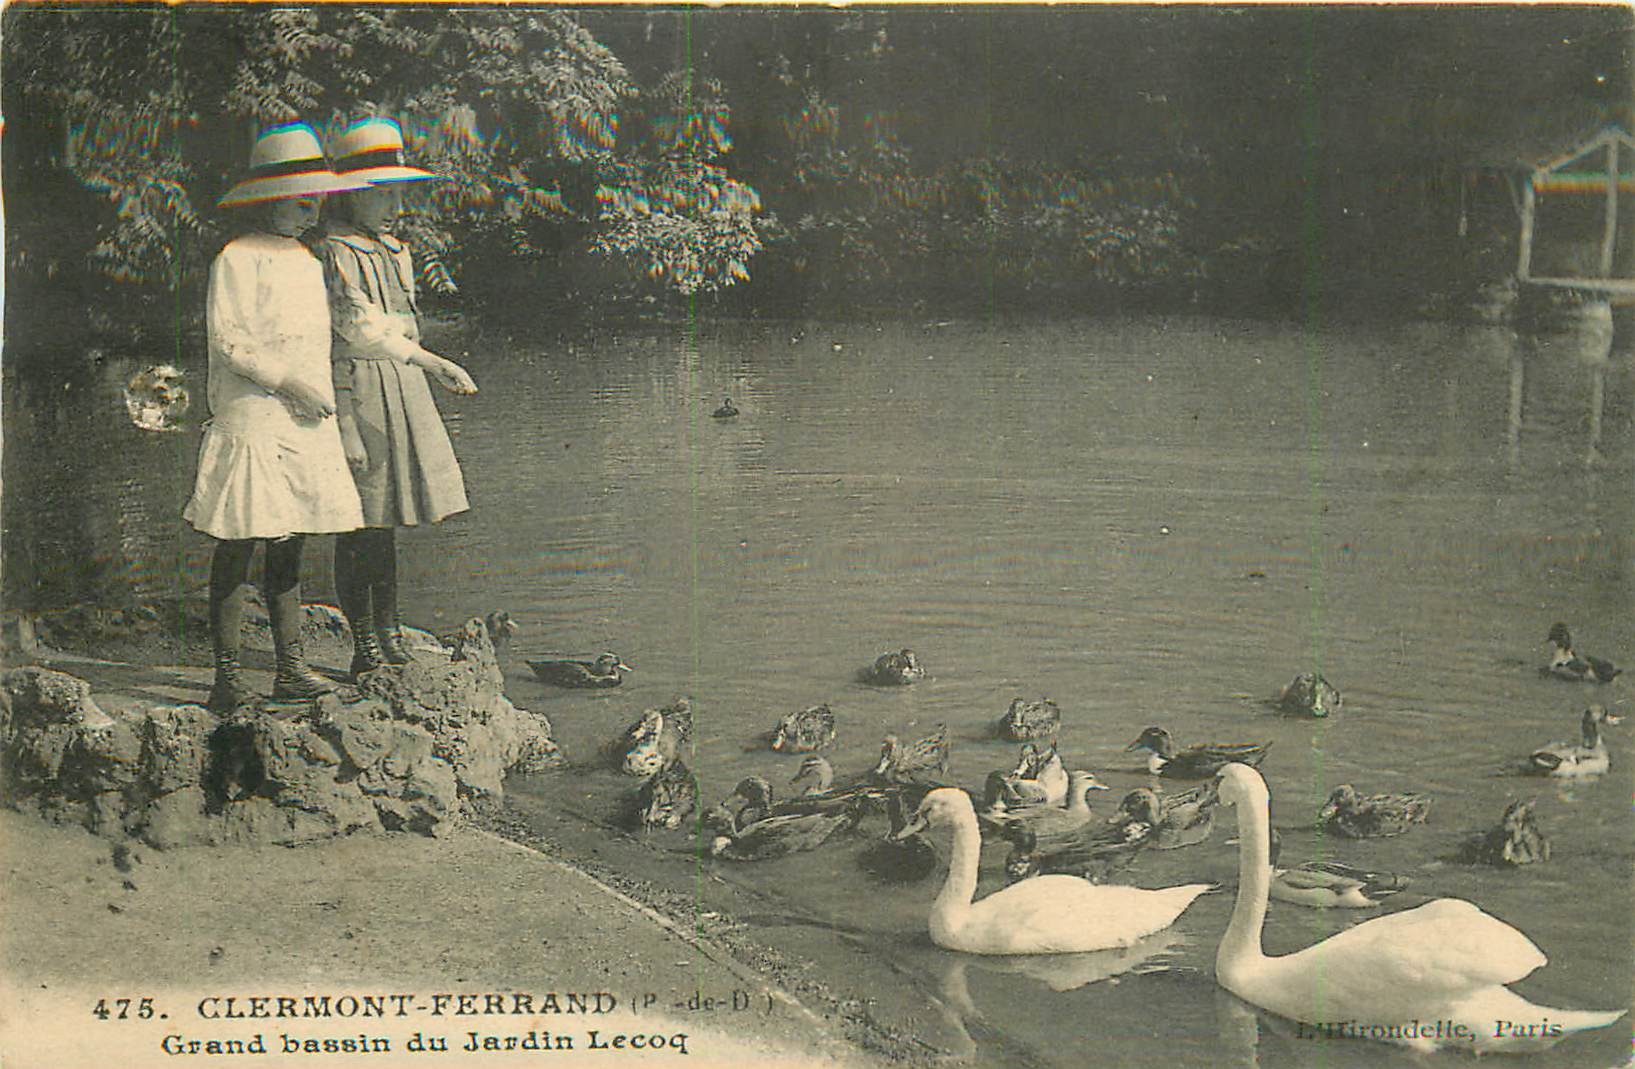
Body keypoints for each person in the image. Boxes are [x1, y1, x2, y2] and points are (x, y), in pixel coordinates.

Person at [182, 122, 368, 712]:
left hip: (304, 415)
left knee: (294, 535)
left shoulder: (309, 260)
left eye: (315, 194)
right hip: (256, 410)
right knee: (242, 537)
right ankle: (228, 679)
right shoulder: (238, 258)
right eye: (297, 195)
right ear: (268, 197)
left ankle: (290, 668)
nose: (308, 204)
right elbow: (230, 341)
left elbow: (324, 339)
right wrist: (287, 384)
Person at [318, 117, 479, 678]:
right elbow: (359, 329)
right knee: (360, 516)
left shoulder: (393, 250)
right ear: (349, 196)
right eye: (380, 194)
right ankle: (361, 639)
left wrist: (411, 347)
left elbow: (401, 321)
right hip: (359, 385)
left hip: (400, 382)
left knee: (386, 517)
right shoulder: (333, 252)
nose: (393, 204)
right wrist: (430, 360)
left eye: (397, 192)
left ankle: (388, 629)